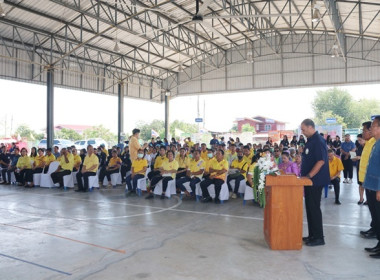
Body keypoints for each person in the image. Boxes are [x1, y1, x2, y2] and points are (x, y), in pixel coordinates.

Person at [300, 119, 330, 247]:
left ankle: (318, 238)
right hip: (309, 182)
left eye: (304, 129)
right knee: (310, 208)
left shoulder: (318, 141)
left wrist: (309, 176)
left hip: (315, 181)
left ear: (311, 127)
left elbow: (321, 161)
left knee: (314, 209)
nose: (302, 132)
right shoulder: (311, 140)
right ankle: (312, 235)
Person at [363, 116, 380, 258]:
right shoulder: (376, 143)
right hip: (371, 184)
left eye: (373, 126)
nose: (371, 129)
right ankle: (379, 245)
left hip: (377, 187)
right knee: (376, 216)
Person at [359, 121, 377, 239]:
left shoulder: (375, 142)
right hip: (366, 179)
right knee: (372, 208)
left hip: (373, 182)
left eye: (365, 130)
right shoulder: (368, 143)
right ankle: (374, 228)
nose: (363, 132)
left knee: (375, 209)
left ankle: (375, 230)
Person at [352, 134, 365, 204]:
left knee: (367, 184)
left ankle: (368, 200)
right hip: (359, 167)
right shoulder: (359, 147)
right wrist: (353, 156)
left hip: (366, 168)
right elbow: (354, 158)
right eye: (358, 140)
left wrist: (360, 158)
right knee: (360, 184)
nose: (359, 142)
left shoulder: (369, 147)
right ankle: (361, 198)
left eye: (361, 140)